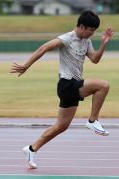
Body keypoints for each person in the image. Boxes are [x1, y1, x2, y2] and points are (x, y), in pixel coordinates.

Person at [10, 10, 113, 169]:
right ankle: (93, 120)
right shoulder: (67, 38)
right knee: (103, 85)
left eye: (94, 31)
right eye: (90, 30)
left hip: (72, 86)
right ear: (81, 26)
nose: (92, 33)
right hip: (67, 84)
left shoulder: (86, 41)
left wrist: (104, 44)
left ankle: (31, 149)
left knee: (61, 126)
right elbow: (43, 48)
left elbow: (95, 60)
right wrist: (26, 65)